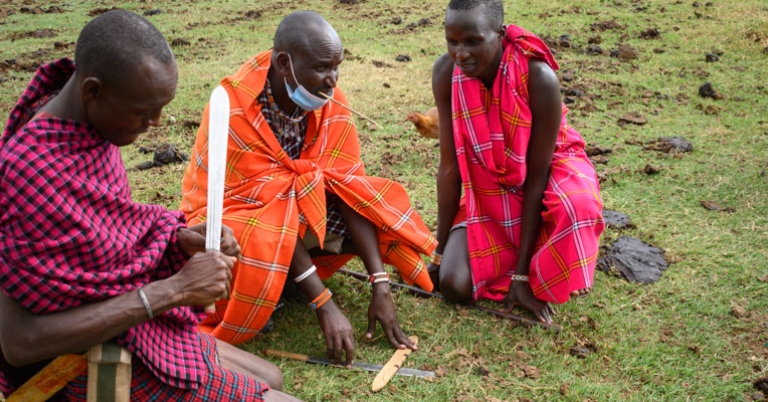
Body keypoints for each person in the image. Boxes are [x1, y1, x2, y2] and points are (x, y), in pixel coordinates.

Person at [0, 10, 299, 402]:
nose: (157, 123)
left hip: (125, 327)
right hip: (75, 366)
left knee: (271, 376)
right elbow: (19, 344)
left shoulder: (85, 128)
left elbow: (108, 238)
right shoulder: (28, 173)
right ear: (92, 90)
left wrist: (179, 241)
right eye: (143, 112)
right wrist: (174, 289)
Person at [180, 10, 437, 367]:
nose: (332, 81)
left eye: (337, 67)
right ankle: (281, 285)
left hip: (295, 214)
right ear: (285, 63)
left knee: (373, 209)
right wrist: (323, 302)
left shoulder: (331, 101)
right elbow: (265, 208)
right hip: (239, 216)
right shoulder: (232, 106)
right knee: (248, 234)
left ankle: (287, 280)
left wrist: (380, 283)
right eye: (321, 68)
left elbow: (351, 190)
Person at [429, 0, 605, 324]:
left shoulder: (538, 77)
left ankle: (535, 263)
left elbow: (537, 178)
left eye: (472, 41)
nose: (460, 54)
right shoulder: (445, 73)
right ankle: (527, 257)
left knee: (576, 206)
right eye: (452, 41)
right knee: (452, 284)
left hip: (546, 171)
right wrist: (438, 253)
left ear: (499, 33)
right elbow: (450, 167)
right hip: (489, 188)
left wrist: (522, 280)